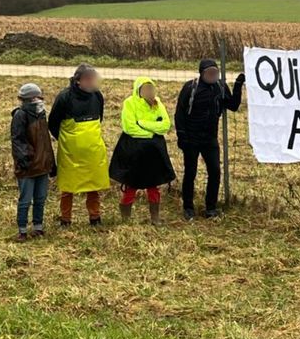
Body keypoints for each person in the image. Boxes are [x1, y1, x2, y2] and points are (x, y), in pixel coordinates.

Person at [175, 59, 245, 220]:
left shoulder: (220, 87)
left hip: (210, 139)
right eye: (210, 73)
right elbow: (179, 113)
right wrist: (182, 136)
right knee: (190, 173)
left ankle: (211, 208)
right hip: (191, 139)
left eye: (215, 72)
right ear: (202, 73)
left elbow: (233, 105)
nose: (213, 75)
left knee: (215, 172)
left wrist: (238, 84)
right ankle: (188, 208)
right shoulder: (190, 88)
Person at [49, 64, 110, 227]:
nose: (92, 82)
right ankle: (65, 219)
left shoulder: (97, 96)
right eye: (88, 79)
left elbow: (99, 119)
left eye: (93, 78)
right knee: (68, 186)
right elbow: (53, 123)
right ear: (78, 81)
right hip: (71, 152)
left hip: (92, 150)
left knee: (93, 184)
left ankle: (95, 218)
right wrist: (68, 140)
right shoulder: (64, 97)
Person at [109, 77, 176, 224]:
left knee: (153, 184)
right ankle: (125, 218)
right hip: (134, 150)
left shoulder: (158, 103)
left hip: (154, 151)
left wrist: (142, 124)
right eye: (145, 89)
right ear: (138, 90)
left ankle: (155, 217)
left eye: (150, 88)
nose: (149, 91)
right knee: (131, 184)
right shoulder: (129, 103)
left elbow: (165, 125)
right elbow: (129, 127)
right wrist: (152, 132)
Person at [10, 83, 55, 242]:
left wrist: (51, 163)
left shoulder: (41, 114)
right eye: (36, 97)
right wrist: (25, 161)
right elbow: (18, 141)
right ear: (28, 99)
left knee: (41, 198)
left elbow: (46, 142)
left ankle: (38, 227)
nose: (40, 100)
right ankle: (22, 231)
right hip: (28, 167)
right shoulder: (20, 116)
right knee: (25, 200)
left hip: (42, 166)